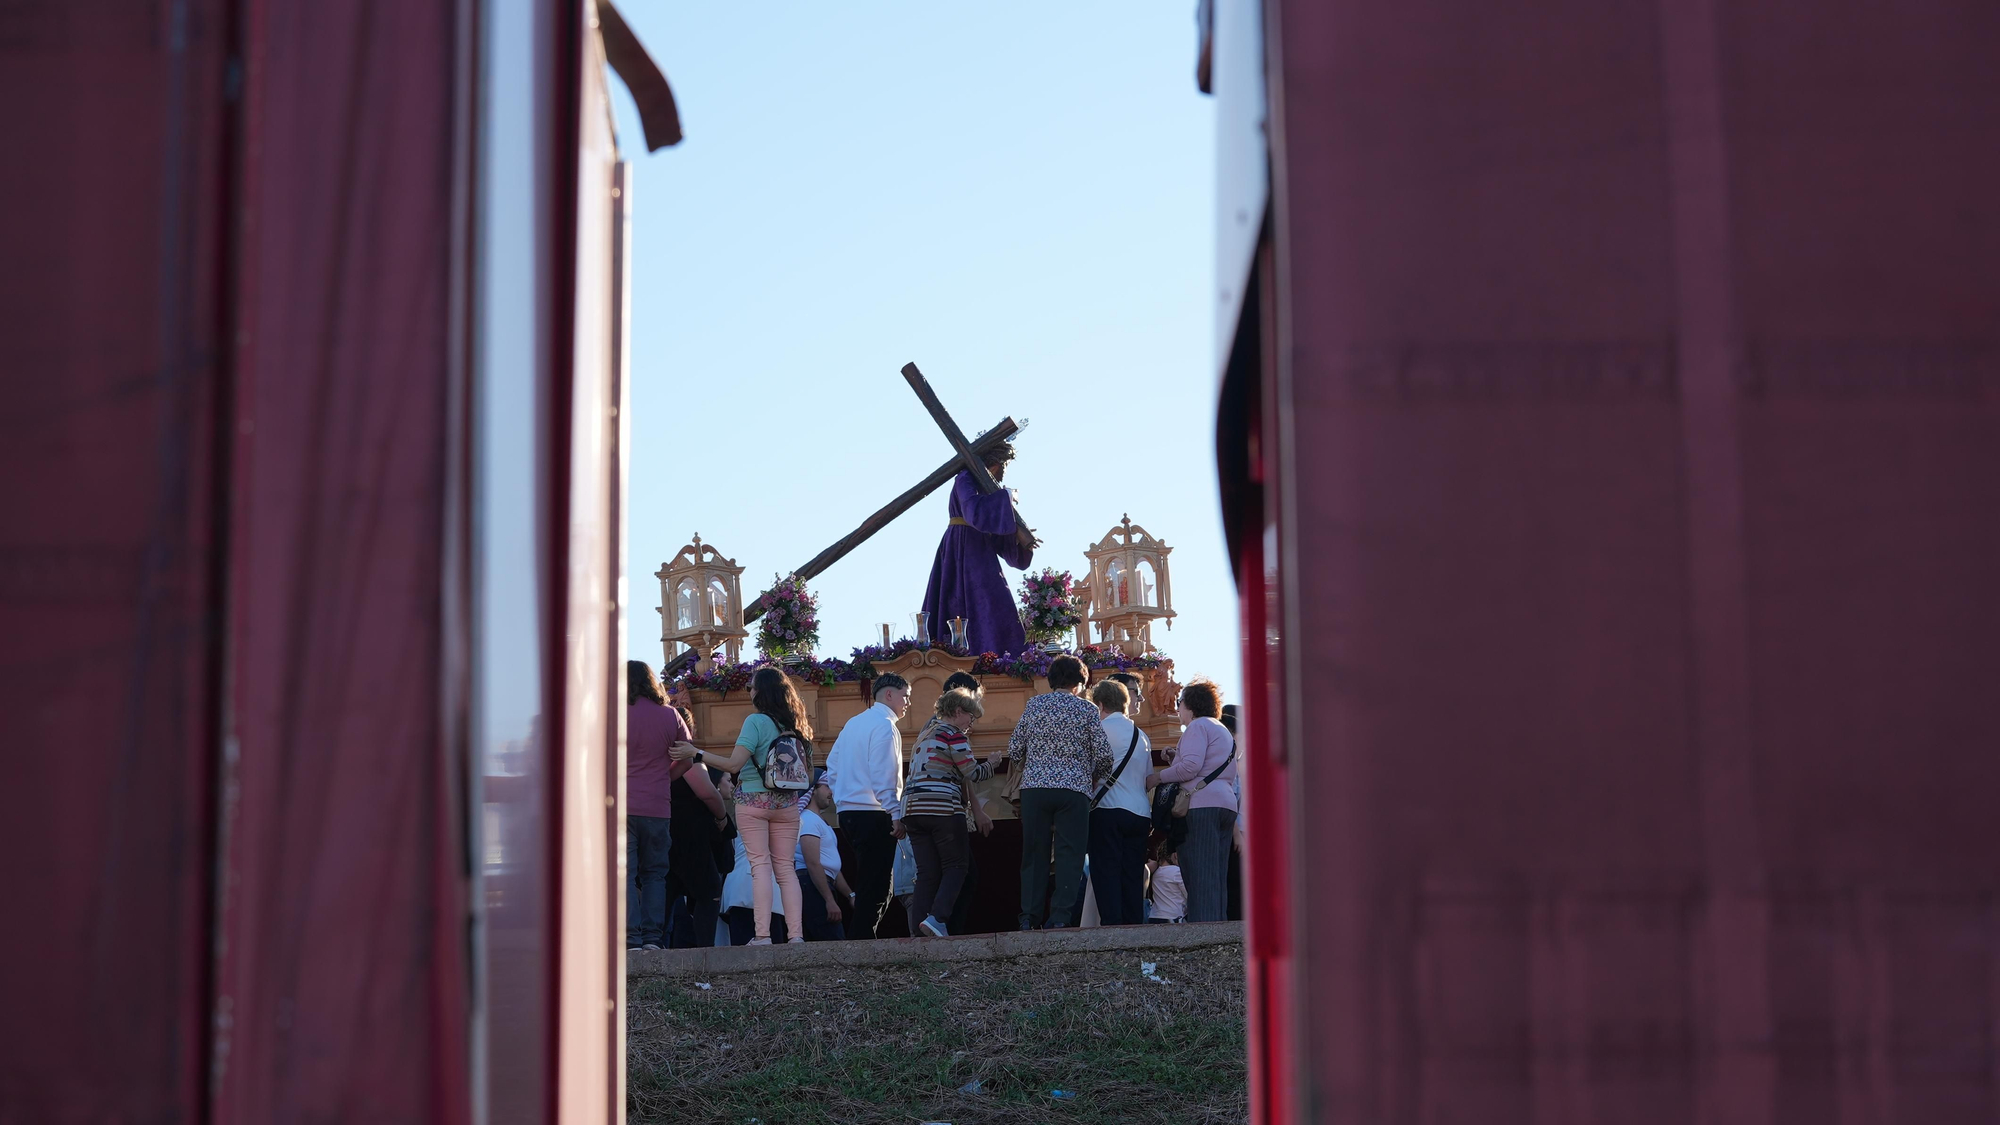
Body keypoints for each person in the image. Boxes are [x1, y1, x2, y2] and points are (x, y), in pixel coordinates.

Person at [671, 666, 810, 944]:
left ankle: (762, 935)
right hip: (788, 805)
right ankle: (796, 936)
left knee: (759, 867)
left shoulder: (756, 722)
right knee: (785, 869)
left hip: (753, 801)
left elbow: (733, 764)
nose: (749, 692)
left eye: (751, 687)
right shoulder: (796, 725)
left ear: (761, 692)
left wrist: (695, 753)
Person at [1008, 654, 1113, 930]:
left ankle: (1029, 918)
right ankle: (1059, 918)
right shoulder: (1087, 710)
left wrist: (1033, 766)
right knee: (1070, 855)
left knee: (1034, 853)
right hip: (1074, 790)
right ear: (1080, 682)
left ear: (1052, 680)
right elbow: (1104, 756)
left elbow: (1015, 749)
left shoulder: (1034, 705)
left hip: (1035, 789)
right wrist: (1090, 776)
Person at [921, 440, 1036, 656]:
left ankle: (997, 657)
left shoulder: (989, 488)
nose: (1003, 474)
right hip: (961, 551)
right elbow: (973, 513)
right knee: (963, 603)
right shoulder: (965, 478)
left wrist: (1020, 541)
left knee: (992, 604)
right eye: (1003, 466)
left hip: (981, 552)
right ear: (994, 464)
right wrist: (1007, 497)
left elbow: (998, 535)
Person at [820, 673, 911, 939]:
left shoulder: (853, 723)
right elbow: (885, 773)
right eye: (905, 696)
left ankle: (862, 942)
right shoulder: (884, 725)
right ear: (889, 695)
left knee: (876, 883)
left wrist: (841, 798)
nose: (908, 703)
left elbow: (832, 765)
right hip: (873, 813)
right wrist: (895, 813)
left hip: (849, 813)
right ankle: (860, 945)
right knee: (877, 887)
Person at [904, 687, 998, 937]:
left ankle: (919, 928)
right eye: (971, 716)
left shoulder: (924, 736)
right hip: (942, 808)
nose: (971, 724)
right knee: (956, 865)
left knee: (926, 872)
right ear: (958, 711)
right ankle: (938, 918)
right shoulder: (953, 734)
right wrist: (993, 763)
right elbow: (973, 773)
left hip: (912, 809)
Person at [1147, 679, 1236, 923]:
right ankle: (1218, 931)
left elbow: (1190, 768)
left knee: (1199, 875)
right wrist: (1176, 757)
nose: (1177, 709)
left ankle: (1203, 932)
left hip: (1201, 806)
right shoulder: (1221, 730)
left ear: (1191, 705)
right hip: (1225, 804)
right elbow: (1205, 765)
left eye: (1180, 702)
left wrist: (1157, 777)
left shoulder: (1197, 727)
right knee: (1217, 876)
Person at [626, 660, 692, 951]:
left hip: (620, 806)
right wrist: (665, 778)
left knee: (623, 875)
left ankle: (629, 938)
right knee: (655, 875)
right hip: (657, 806)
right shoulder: (672, 716)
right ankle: (652, 938)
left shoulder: (610, 715)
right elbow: (687, 759)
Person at [1086, 678, 1153, 926]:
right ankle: (1134, 925)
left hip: (1107, 809)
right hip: (1139, 812)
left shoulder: (1099, 731)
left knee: (1106, 871)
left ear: (1100, 704)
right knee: (1133, 873)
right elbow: (1147, 779)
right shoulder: (1142, 736)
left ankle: (1112, 927)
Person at [793, 786, 852, 941]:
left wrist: (850, 895)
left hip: (820, 885)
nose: (831, 792)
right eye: (827, 786)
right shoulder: (808, 819)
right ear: (813, 790)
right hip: (812, 886)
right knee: (835, 945)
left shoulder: (819, 821)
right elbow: (812, 863)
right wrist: (829, 900)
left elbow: (832, 867)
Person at [1146, 847, 1187, 923]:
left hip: (1155, 915)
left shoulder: (1156, 872)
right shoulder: (1177, 871)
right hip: (1173, 916)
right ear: (1175, 855)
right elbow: (1187, 894)